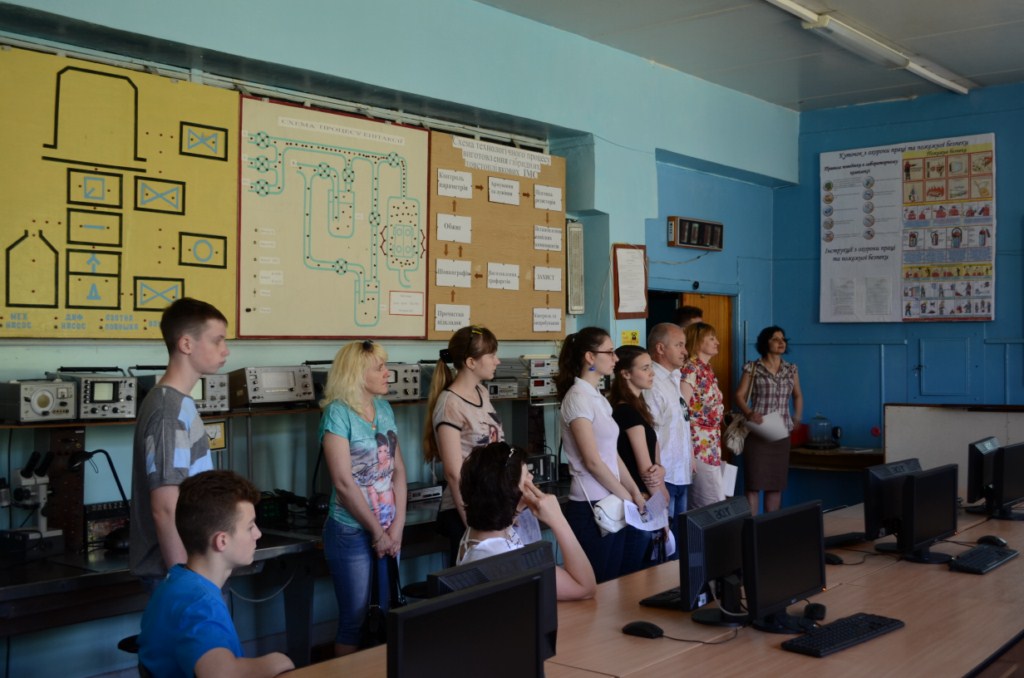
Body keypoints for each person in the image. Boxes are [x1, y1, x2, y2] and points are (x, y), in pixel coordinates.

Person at [137, 470, 294, 678]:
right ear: (222, 541)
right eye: (250, 527)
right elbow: (220, 674)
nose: (258, 534)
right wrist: (276, 661)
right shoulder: (200, 604)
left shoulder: (176, 581)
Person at [130, 297, 230, 589]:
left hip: (195, 566)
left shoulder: (179, 403)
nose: (225, 350)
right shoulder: (167, 411)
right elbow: (165, 508)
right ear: (186, 344)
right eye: (217, 340)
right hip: (177, 573)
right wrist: (185, 583)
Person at [320, 340, 408, 657]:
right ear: (357, 373)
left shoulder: (383, 409)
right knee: (355, 621)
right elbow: (344, 483)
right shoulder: (337, 413)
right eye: (379, 368)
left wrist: (397, 527)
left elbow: (398, 470)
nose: (388, 373)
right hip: (350, 530)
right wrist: (377, 532)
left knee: (384, 613)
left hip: (388, 529)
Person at [556, 327, 647, 583]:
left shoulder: (598, 397)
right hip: (590, 506)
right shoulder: (577, 398)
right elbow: (592, 461)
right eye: (609, 352)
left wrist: (634, 492)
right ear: (590, 357)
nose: (615, 358)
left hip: (612, 500)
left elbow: (612, 454)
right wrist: (626, 496)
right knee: (599, 584)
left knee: (616, 582)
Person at [457, 441, 596, 601]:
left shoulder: (478, 532)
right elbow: (585, 588)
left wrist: (515, 511)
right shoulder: (504, 559)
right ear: (511, 491)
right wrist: (558, 520)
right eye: (526, 476)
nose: (532, 477)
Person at [422, 325, 504, 564]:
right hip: (467, 509)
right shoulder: (450, 403)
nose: (497, 361)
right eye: (491, 355)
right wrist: (473, 525)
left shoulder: (481, 392)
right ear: (470, 362)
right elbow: (453, 472)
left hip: (491, 503)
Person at [608, 345, 666, 574]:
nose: (651, 373)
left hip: (644, 498)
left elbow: (654, 456)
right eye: (645, 368)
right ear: (626, 374)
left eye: (651, 367)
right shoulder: (626, 412)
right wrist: (660, 502)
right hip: (640, 501)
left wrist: (661, 469)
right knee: (636, 575)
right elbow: (645, 469)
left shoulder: (639, 408)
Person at [735, 326, 803, 515]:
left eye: (783, 339)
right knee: (753, 484)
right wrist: (749, 413)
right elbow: (739, 395)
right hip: (758, 431)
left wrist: (797, 416)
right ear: (765, 343)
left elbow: (797, 395)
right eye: (775, 339)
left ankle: (769, 526)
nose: (781, 342)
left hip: (781, 433)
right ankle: (753, 525)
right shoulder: (752, 368)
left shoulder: (791, 369)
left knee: (775, 484)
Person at [644, 323, 695, 529]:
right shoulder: (652, 383)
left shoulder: (674, 378)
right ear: (660, 348)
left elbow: (679, 424)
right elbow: (650, 435)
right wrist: (657, 484)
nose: (685, 351)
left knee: (679, 538)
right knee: (662, 538)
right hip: (663, 477)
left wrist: (689, 456)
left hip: (681, 473)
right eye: (679, 345)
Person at [681, 322, 726, 509]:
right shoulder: (691, 368)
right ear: (698, 341)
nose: (717, 342)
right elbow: (682, 408)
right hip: (698, 441)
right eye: (711, 338)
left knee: (711, 496)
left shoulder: (706, 369)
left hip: (711, 441)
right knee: (710, 500)